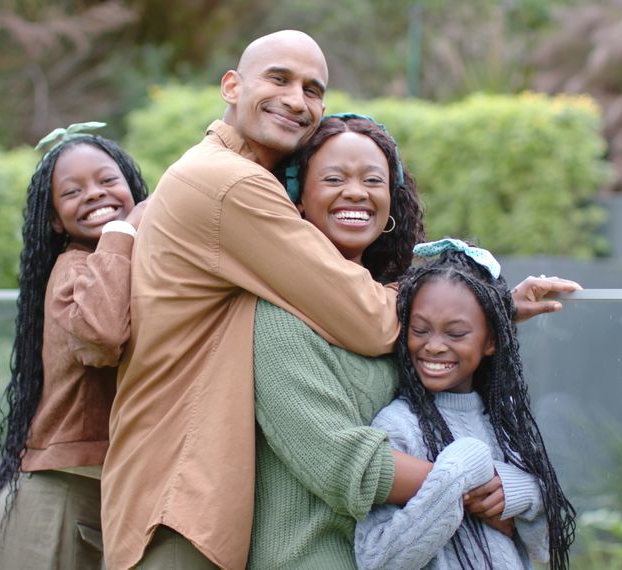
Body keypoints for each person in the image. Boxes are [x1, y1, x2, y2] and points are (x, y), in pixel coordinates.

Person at [103, 30, 578, 569]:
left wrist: (479, 317)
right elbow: (370, 322)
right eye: (278, 78)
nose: (295, 98)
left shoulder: (238, 185)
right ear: (231, 86)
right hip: (182, 491)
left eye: (311, 88)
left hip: (211, 491)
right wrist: (473, 487)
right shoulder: (232, 187)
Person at [249, 113, 425, 568]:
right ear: (298, 198)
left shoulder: (394, 304)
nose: (356, 193)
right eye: (333, 178)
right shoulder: (279, 316)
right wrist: (474, 485)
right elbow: (346, 465)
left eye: (373, 180)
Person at [0, 122, 149, 570]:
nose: (94, 194)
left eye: (108, 181)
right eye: (72, 191)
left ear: (133, 189)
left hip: (96, 496)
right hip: (55, 498)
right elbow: (104, 338)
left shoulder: (127, 264)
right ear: (54, 219)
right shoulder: (74, 269)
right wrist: (123, 231)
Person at [353, 238, 577, 570]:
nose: (435, 346)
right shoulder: (397, 427)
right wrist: (460, 469)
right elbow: (377, 559)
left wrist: (524, 491)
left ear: (490, 341)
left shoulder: (503, 420)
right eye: (420, 330)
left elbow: (545, 546)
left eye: (456, 334)